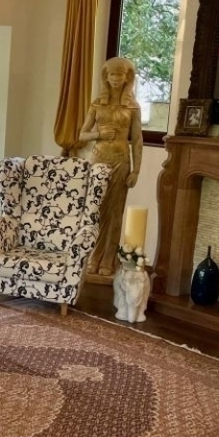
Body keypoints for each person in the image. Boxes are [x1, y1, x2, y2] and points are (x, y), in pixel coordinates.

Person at [77, 56, 144, 277]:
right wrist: (99, 134)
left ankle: (108, 259)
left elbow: (137, 140)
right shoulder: (97, 104)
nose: (115, 79)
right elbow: (82, 134)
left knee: (115, 212)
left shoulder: (132, 106)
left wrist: (136, 170)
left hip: (121, 161)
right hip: (98, 161)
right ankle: (93, 257)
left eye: (120, 75)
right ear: (106, 77)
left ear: (127, 78)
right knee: (95, 210)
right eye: (112, 75)